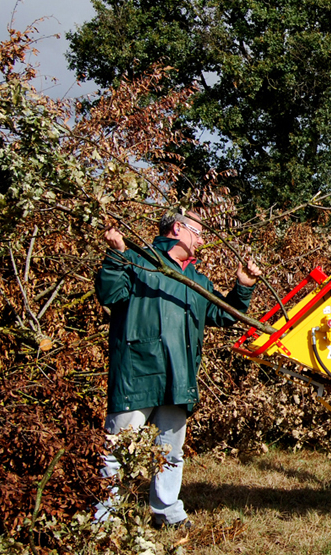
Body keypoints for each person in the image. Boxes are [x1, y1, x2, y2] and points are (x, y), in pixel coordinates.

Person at [94, 212, 261, 528]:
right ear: (177, 229)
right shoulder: (139, 262)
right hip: (137, 375)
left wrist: (242, 288)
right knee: (118, 451)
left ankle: (167, 513)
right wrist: (116, 255)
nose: (201, 240)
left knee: (170, 453)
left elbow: (224, 317)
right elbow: (109, 294)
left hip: (178, 378)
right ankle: (105, 518)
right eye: (197, 233)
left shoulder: (197, 282)